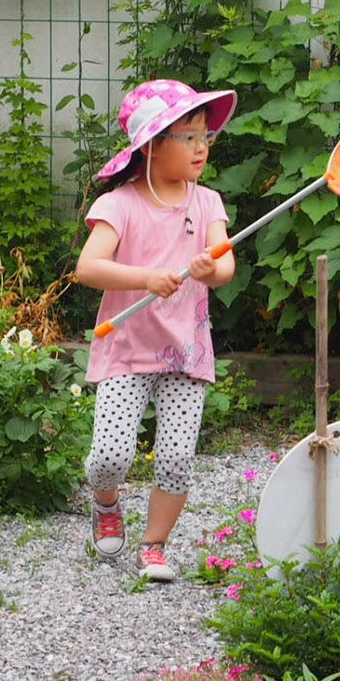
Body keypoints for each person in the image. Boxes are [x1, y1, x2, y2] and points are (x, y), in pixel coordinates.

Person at [74, 80, 238, 580]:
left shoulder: (207, 202)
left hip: (185, 351)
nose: (200, 147)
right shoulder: (119, 205)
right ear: (150, 145)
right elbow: (88, 268)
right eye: (187, 137)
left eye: (204, 136)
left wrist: (214, 270)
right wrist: (145, 278)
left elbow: (224, 261)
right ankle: (106, 502)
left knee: (176, 458)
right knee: (110, 456)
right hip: (127, 346)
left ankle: (154, 546)